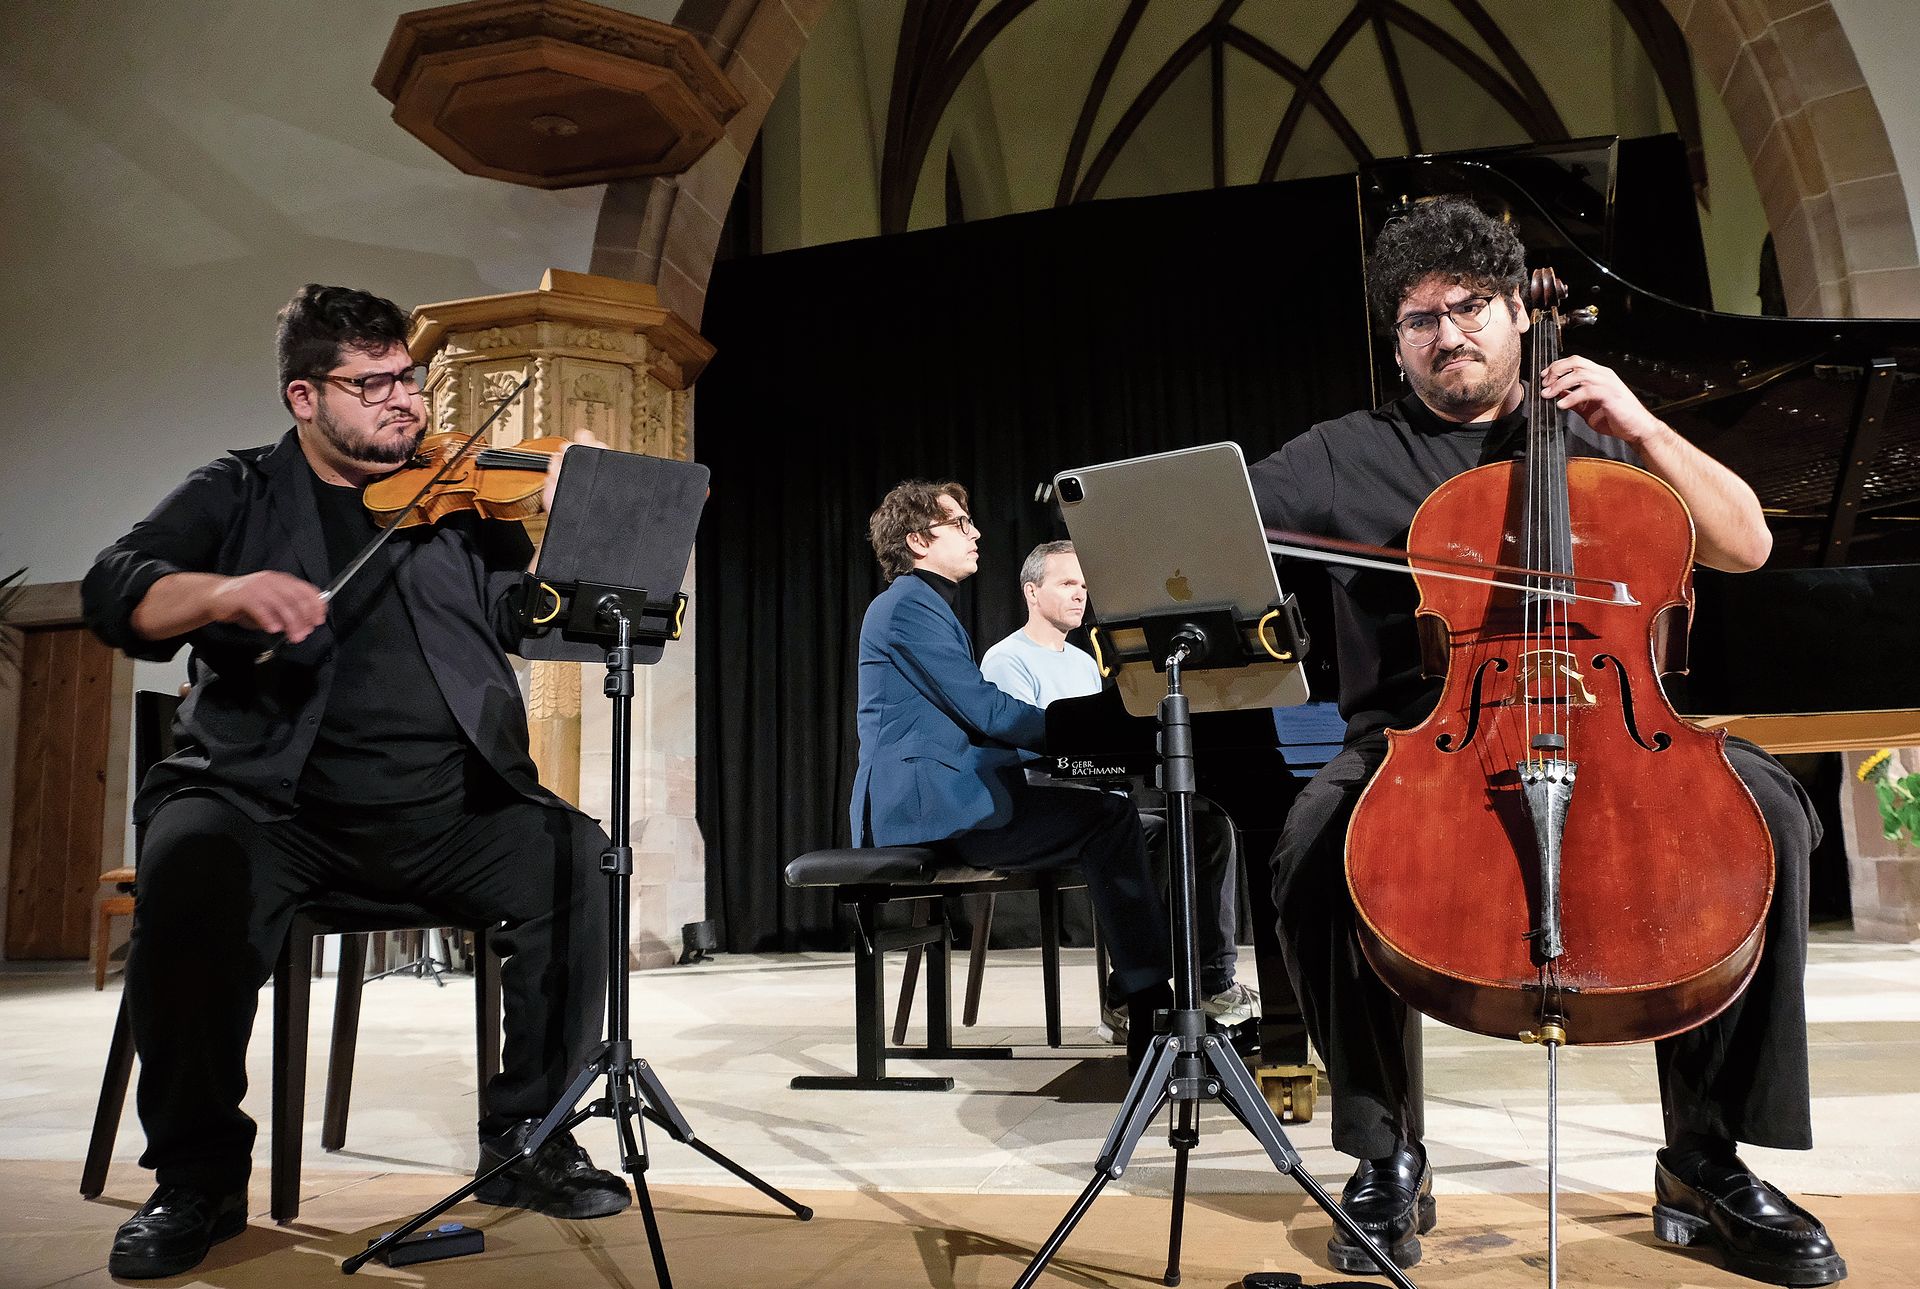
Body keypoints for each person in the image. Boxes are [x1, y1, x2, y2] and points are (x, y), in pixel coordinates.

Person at [1249, 198, 1842, 1285]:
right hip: (1424, 740)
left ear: (1522, 313)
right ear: (1397, 340)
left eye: (1471, 306)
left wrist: (1644, 426)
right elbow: (1221, 522)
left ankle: (1706, 1156)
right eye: (1420, 319)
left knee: (1772, 813)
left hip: (1616, 720)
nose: (1449, 334)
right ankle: (1388, 1152)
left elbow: (1747, 543)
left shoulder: (1601, 432)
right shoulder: (1345, 454)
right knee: (1312, 844)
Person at [82, 284, 626, 1280]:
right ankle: (199, 1178)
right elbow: (118, 585)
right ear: (305, 396)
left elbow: (539, 619)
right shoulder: (240, 489)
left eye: (410, 378)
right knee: (190, 862)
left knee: (577, 858)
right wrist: (225, 590)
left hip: (452, 808)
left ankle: (528, 1139)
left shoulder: (460, 502)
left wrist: (584, 513)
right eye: (373, 383)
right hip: (270, 808)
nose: (406, 399)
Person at [851, 482, 1174, 1069]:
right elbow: (985, 709)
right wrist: (1086, 730)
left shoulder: (923, 605)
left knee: (1130, 823)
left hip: (950, 796)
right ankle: (1150, 1004)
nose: (976, 533)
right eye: (960, 523)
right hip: (928, 807)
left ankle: (1151, 992)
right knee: (1110, 819)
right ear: (919, 540)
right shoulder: (907, 606)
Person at [979, 540, 1256, 1034]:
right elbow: (1021, 750)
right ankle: (1132, 992)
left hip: (1101, 804)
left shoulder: (1086, 662)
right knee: (1146, 834)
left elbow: (1101, 746)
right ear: (1031, 591)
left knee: (1206, 827)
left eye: (1085, 586)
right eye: (1067, 583)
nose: (1080, 595)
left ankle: (1211, 982)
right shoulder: (1006, 660)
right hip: (1044, 812)